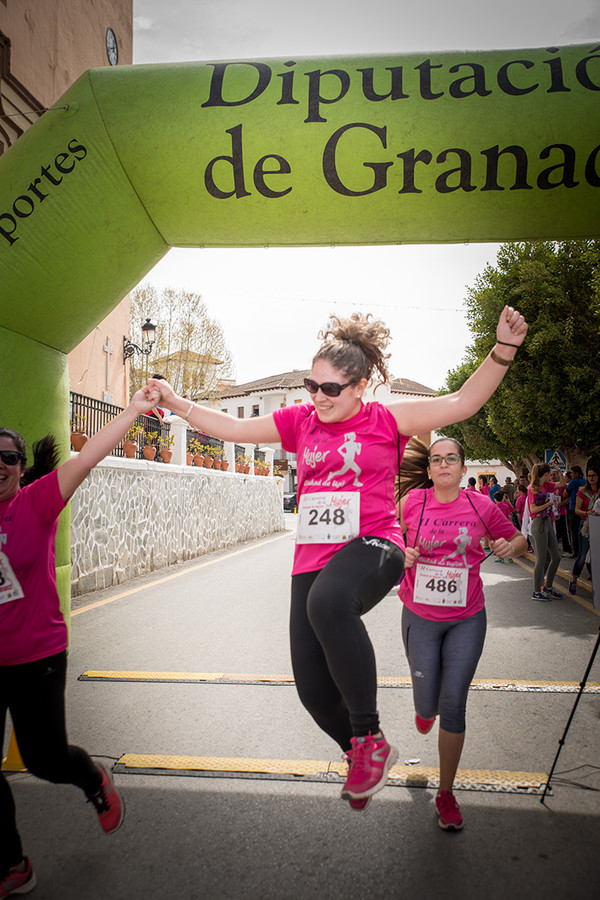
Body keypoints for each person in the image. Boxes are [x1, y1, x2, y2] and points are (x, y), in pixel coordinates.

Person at [150, 306, 527, 811]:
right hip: (313, 557)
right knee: (311, 689)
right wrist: (175, 401)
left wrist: (504, 349)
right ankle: (361, 752)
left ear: (359, 387)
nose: (318, 397)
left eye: (330, 389)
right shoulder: (300, 421)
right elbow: (231, 429)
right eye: (312, 385)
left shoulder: (387, 419)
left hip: (376, 544)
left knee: (329, 603)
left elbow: (462, 401)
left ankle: (368, 736)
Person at [0, 383, 161, 896]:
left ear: (22, 468)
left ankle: (92, 780)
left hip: (37, 655)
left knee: (45, 760)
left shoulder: (37, 503)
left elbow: (88, 454)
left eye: (8, 457)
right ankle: (12, 863)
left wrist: (135, 410)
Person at [398, 437, 527, 830]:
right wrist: (398, 551)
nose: (443, 465)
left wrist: (511, 546)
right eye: (436, 459)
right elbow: (380, 539)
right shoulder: (411, 504)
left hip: (467, 617)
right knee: (427, 704)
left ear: (462, 468)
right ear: (430, 468)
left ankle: (446, 792)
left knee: (453, 704)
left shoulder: (480, 505)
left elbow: (521, 540)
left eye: (450, 459)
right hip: (419, 615)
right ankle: (424, 711)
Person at [527, 463, 566, 601]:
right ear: (545, 474)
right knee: (542, 559)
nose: (551, 476)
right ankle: (536, 591)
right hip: (539, 524)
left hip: (548, 523)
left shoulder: (547, 485)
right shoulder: (534, 488)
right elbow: (533, 509)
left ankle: (548, 587)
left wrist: (559, 471)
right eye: (550, 473)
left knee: (556, 556)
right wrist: (549, 504)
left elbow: (561, 483)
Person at [569, 463, 600, 595]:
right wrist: (588, 513)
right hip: (586, 526)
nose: (591, 478)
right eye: (589, 476)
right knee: (582, 557)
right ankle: (574, 579)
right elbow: (577, 510)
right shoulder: (582, 491)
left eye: (593, 476)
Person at [566, 466, 586, 560]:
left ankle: (575, 552)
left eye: (572, 473)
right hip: (583, 509)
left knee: (574, 531)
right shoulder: (585, 481)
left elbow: (566, 493)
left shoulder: (573, 482)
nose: (571, 475)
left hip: (573, 508)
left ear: (577, 473)